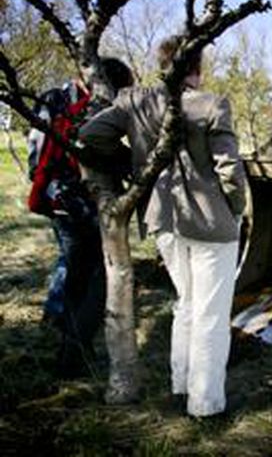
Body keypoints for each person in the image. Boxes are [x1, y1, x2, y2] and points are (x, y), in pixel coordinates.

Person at [78, 36, 247, 418]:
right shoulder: (212, 104)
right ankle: (205, 406)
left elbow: (89, 134)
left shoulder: (134, 100)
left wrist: (137, 167)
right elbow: (230, 171)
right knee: (211, 314)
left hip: (162, 220)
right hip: (212, 223)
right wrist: (236, 211)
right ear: (196, 68)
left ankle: (181, 385)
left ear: (163, 65)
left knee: (187, 302)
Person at [27, 58, 134, 377]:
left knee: (74, 269)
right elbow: (95, 148)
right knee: (99, 276)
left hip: (56, 198)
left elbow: (36, 148)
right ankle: (74, 351)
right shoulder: (92, 106)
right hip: (80, 202)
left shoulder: (52, 97)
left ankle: (64, 336)